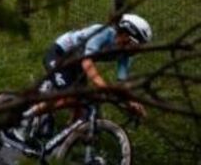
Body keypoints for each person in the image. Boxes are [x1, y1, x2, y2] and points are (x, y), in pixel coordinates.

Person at [10, 14, 153, 142]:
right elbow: (87, 61)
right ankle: (24, 119)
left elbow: (122, 83)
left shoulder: (125, 55)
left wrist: (132, 102)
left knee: (82, 109)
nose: (137, 51)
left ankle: (62, 145)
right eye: (137, 46)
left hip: (76, 64)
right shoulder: (104, 32)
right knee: (71, 97)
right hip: (60, 55)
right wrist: (102, 85)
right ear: (127, 36)